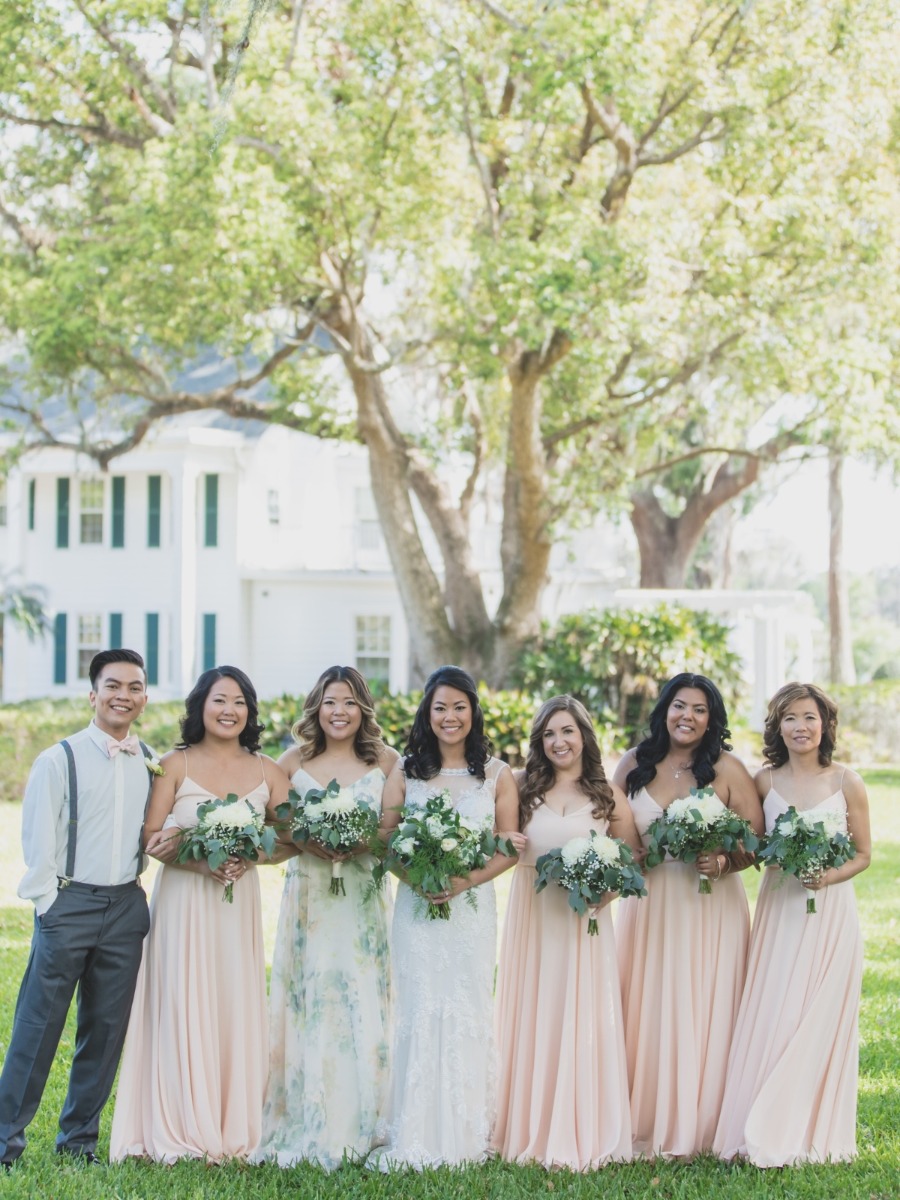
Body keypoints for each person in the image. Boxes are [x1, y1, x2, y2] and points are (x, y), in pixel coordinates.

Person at [110, 665, 290, 1164]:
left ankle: (231, 1120)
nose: (229, 710)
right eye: (219, 700)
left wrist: (251, 857)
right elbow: (150, 840)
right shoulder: (174, 765)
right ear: (200, 707)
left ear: (250, 711)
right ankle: (178, 1122)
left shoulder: (268, 770)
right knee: (181, 999)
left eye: (239, 702)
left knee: (231, 1003)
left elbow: (295, 837)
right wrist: (199, 860)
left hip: (237, 905)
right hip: (184, 904)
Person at [0, 649, 153, 1169]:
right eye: (113, 686)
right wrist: (49, 903)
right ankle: (5, 1144)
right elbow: (37, 838)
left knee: (105, 1030)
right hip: (69, 904)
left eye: (134, 687)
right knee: (37, 1027)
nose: (123, 696)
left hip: (127, 905)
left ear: (144, 697)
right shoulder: (57, 758)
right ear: (93, 695)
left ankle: (78, 1142)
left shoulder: (150, 760)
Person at [714, 682, 871, 1167]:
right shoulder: (763, 782)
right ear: (776, 726)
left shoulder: (847, 782)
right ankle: (761, 1122)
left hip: (831, 915)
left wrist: (827, 875)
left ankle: (808, 1130)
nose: (800, 727)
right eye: (790, 718)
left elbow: (865, 855)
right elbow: (756, 849)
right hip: (780, 911)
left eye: (809, 717)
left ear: (824, 723)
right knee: (777, 1011)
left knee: (818, 1016)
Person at [613, 672, 763, 1158]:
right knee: (650, 1002)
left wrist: (722, 860)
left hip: (709, 906)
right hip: (649, 906)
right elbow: (608, 828)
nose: (688, 717)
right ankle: (646, 1115)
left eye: (700, 709)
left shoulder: (728, 768)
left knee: (704, 1002)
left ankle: (704, 1119)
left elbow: (754, 843)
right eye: (680, 706)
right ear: (664, 710)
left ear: (712, 718)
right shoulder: (633, 764)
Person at [374, 665, 518, 1169]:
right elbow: (385, 838)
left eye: (459, 707)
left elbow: (509, 847)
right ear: (427, 713)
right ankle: (414, 1124)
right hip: (416, 909)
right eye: (440, 707)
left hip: (471, 912)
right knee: (420, 1004)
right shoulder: (406, 771)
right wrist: (416, 880)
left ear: (473, 712)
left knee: (466, 1004)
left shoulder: (498, 774)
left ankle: (468, 1125)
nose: (450, 716)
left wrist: (461, 882)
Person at [256, 666, 398, 1168]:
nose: (340, 712)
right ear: (316, 708)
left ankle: (368, 1115)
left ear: (364, 709)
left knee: (363, 994)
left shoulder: (388, 761)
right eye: (331, 702)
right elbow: (274, 829)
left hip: (362, 899)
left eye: (350, 702)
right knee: (310, 998)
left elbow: (393, 833)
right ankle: (309, 1113)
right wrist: (306, 839)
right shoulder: (291, 761)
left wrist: (359, 841)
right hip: (311, 897)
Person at [493, 695, 639, 1169]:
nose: (559, 741)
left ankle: (583, 1125)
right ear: (540, 741)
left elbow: (633, 857)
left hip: (584, 924)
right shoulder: (521, 787)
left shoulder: (606, 794)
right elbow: (501, 842)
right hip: (533, 916)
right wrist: (504, 841)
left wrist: (604, 895)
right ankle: (529, 1125)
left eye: (568, 732)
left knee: (580, 1016)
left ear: (584, 737)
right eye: (550, 733)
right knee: (534, 1010)